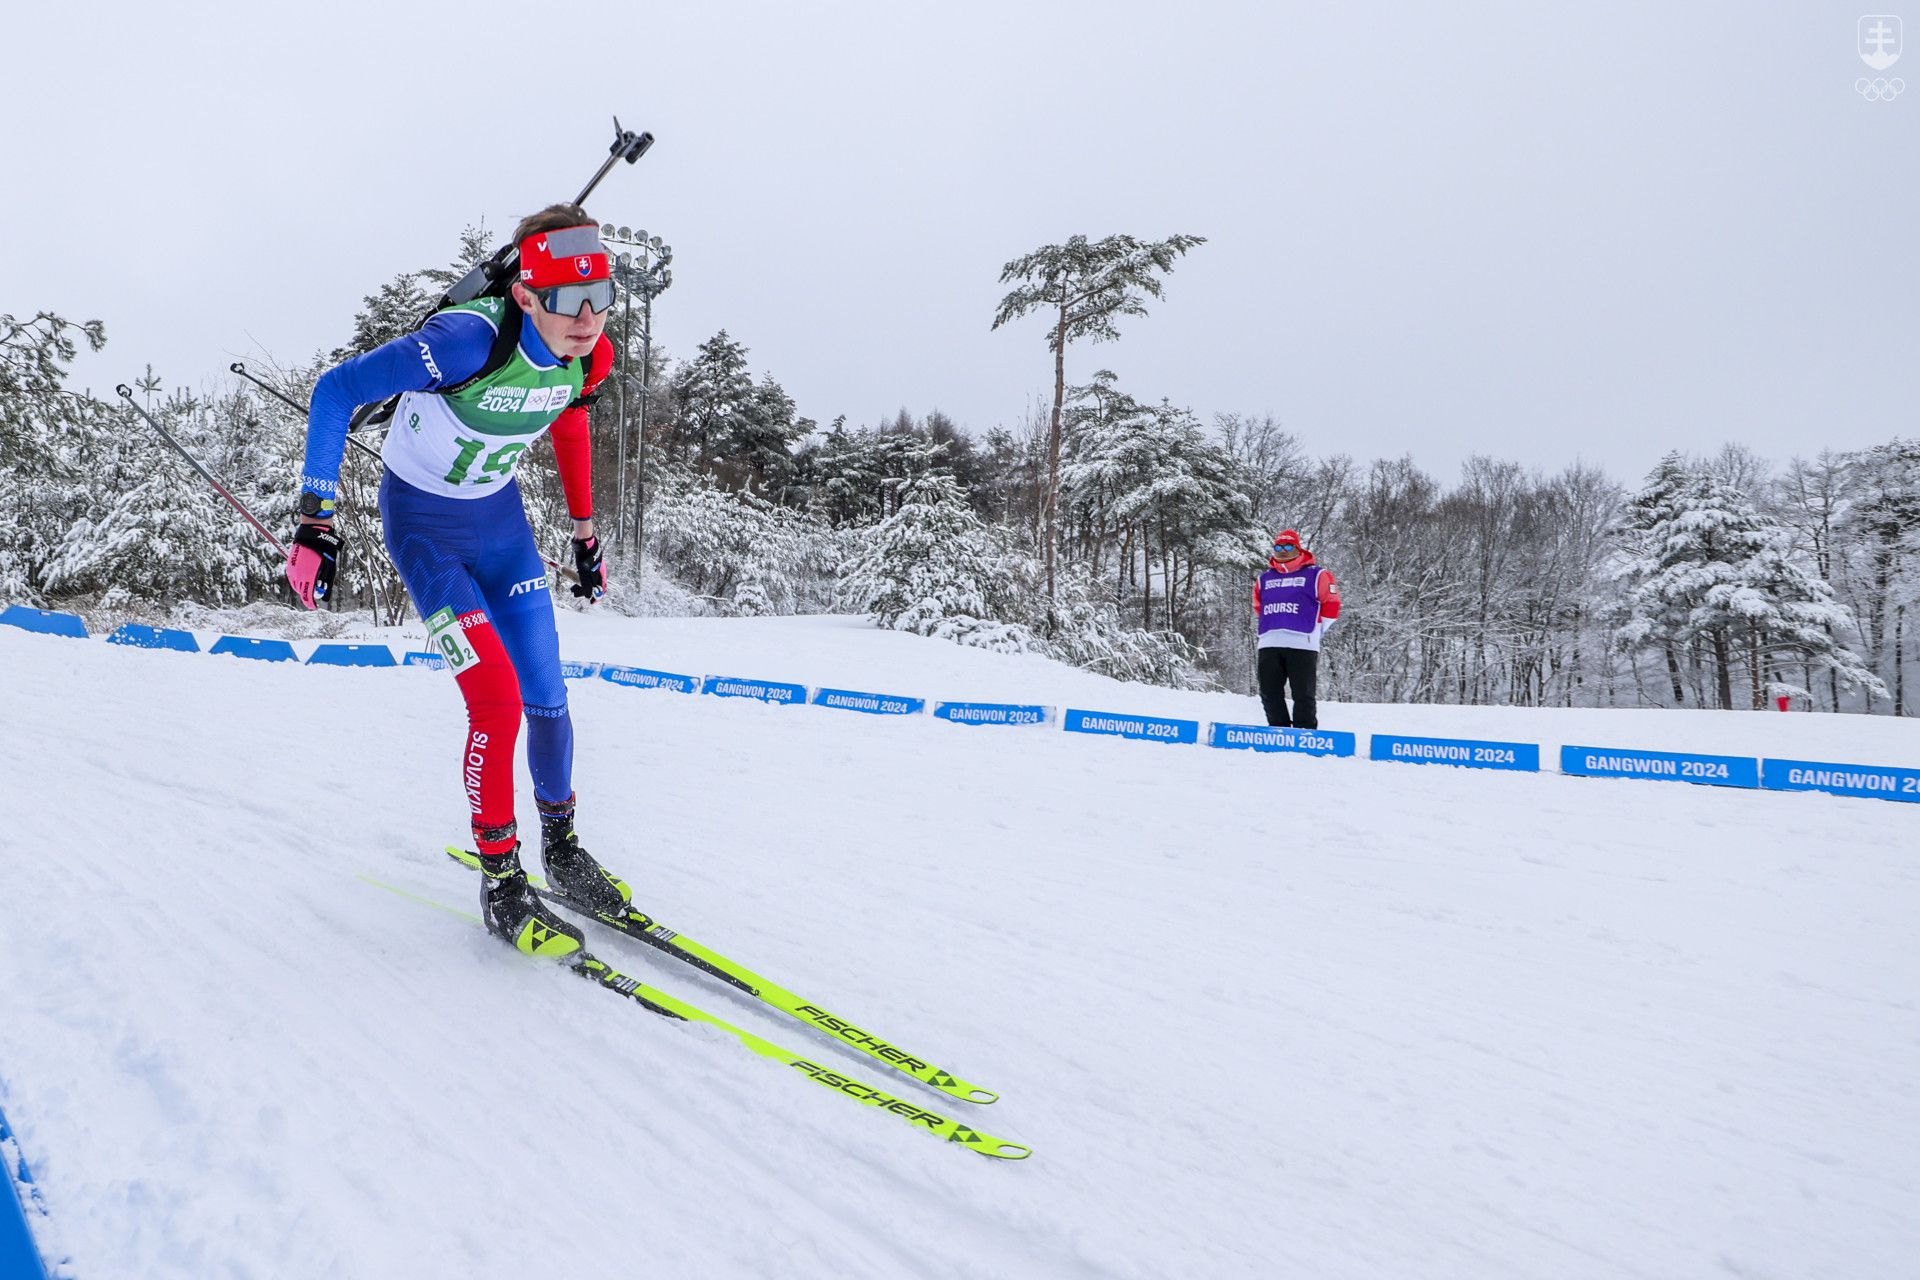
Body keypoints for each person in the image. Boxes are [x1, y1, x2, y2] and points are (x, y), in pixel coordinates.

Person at [285, 204, 629, 958]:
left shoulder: (588, 356)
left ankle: (562, 849)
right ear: (526, 295)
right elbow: (336, 391)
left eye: (602, 295)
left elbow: (569, 421)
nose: (588, 318)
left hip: (501, 528)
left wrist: (584, 534)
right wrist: (317, 518)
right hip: (425, 529)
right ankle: (502, 882)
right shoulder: (467, 339)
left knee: (547, 691)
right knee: (496, 701)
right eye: (568, 300)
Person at [1253, 529, 1340, 729]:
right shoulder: (1264, 579)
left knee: (1303, 693)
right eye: (1278, 547)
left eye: (1288, 547)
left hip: (1303, 643)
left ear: (1298, 549)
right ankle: (1278, 730)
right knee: (1269, 692)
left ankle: (1305, 733)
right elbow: (1259, 606)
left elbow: (1332, 605)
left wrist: (1316, 630)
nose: (1282, 551)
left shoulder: (1318, 575)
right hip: (1269, 642)